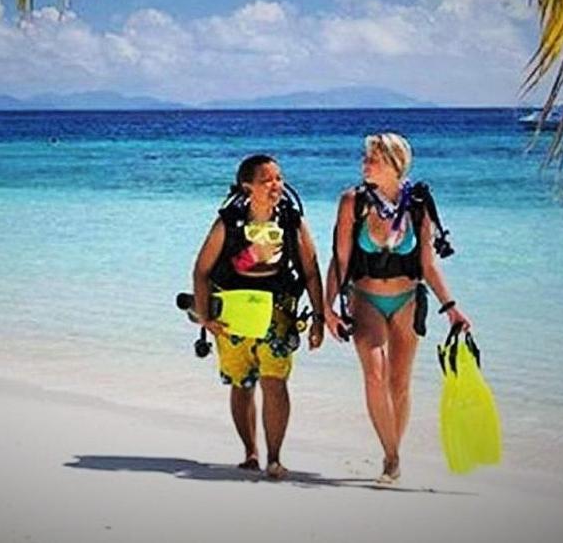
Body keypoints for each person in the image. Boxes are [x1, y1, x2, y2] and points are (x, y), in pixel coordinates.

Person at [324, 133, 472, 484]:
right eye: (365, 157)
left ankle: (394, 451)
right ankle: (392, 458)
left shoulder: (418, 203)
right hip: (365, 298)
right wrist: (327, 308)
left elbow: (429, 264)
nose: (364, 164)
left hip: (407, 299)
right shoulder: (353, 202)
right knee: (375, 375)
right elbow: (340, 258)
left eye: (372, 158)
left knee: (400, 383)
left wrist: (451, 307)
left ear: (394, 163)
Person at [191, 154, 326, 480]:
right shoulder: (229, 222)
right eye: (267, 180)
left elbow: (311, 271)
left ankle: (275, 458)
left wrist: (320, 317)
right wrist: (206, 317)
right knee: (241, 383)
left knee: (275, 382)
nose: (276, 185)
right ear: (246, 186)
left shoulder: (291, 222)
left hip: (277, 311)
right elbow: (201, 271)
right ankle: (250, 452)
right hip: (233, 316)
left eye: (279, 178)